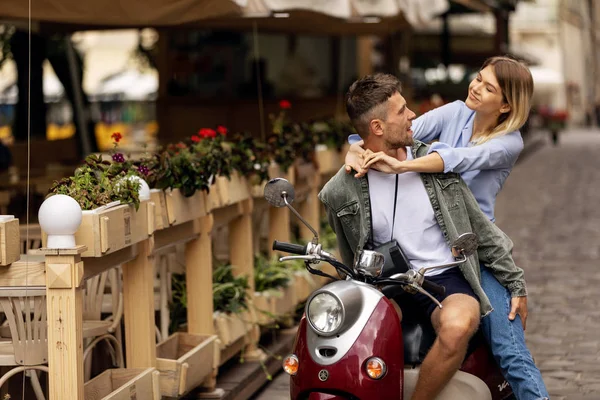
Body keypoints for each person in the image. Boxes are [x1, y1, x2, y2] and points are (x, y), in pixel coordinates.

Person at [344, 57, 549, 399]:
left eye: (488, 87)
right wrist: (354, 148)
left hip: (472, 248)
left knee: (509, 349)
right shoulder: (456, 111)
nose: (476, 87)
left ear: (506, 104)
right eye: (478, 78)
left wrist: (402, 166)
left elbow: (454, 161)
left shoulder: (509, 142)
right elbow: (402, 131)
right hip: (427, 246)